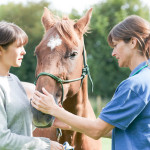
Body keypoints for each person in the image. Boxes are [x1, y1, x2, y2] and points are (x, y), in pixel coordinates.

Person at [31, 15, 150, 150]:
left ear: (133, 42)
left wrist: (53, 109)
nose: (113, 53)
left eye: (116, 45)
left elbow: (97, 130)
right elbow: (122, 130)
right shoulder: (146, 78)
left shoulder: (134, 86)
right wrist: (68, 123)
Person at [0, 21, 63, 150]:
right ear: (0, 50)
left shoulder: (14, 80)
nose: (24, 52)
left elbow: (19, 127)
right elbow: (2, 140)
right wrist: (46, 144)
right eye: (18, 46)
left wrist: (52, 118)